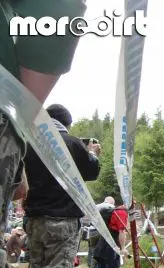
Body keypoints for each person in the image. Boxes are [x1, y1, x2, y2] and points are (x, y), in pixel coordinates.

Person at [0, 0, 87, 238]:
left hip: (35, 218)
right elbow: (60, 8)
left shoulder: (38, 143)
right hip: (63, 218)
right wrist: (18, 109)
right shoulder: (74, 145)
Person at [22, 104, 101, 268]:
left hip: (34, 217)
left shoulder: (30, 141)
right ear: (66, 124)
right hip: (62, 217)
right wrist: (93, 153)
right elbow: (91, 172)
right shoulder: (71, 142)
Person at [89, 200, 128, 268]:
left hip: (104, 241)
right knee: (112, 265)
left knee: (101, 265)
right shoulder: (121, 212)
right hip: (111, 243)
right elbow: (121, 231)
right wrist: (123, 248)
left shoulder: (115, 211)